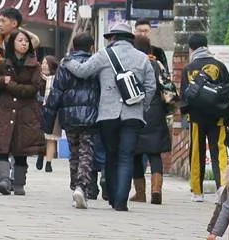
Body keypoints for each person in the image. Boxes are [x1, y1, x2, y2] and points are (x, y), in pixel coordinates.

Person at [59, 21, 155, 212]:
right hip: (133, 115)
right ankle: (120, 201)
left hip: (108, 115)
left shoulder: (103, 55)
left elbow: (82, 71)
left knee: (111, 155)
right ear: (130, 39)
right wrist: (140, 106)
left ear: (112, 38)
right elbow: (151, 87)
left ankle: (111, 195)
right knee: (126, 156)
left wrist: (67, 61)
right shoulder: (143, 58)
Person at [0, 29, 46, 196]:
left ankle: (19, 184)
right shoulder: (4, 64)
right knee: (2, 148)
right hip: (4, 112)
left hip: (26, 114)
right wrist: (1, 81)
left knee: (21, 150)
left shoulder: (35, 66)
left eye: (26, 41)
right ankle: (3, 180)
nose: (24, 43)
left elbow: (33, 89)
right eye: (20, 40)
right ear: (12, 44)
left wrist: (10, 85)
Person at [45, 33, 101, 208]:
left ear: (74, 47)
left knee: (74, 152)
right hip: (91, 115)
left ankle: (74, 186)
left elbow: (56, 92)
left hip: (69, 116)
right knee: (87, 151)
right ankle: (81, 186)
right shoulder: (96, 63)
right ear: (92, 47)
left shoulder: (65, 65)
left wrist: (48, 118)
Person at [182, 34, 229, 203]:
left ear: (191, 49)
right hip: (218, 117)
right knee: (220, 151)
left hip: (197, 119)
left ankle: (197, 192)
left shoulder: (189, 68)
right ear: (206, 46)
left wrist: (186, 115)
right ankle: (223, 188)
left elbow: (184, 97)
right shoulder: (219, 66)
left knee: (196, 152)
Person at [130, 34, 176, 205]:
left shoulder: (132, 63)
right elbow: (168, 89)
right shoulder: (157, 64)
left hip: (136, 110)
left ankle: (140, 193)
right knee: (154, 153)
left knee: (135, 153)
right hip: (155, 111)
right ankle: (156, 190)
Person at [0, 8, 24, 186]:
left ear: (14, 23)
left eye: (4, 21)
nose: (0, 24)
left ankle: (15, 176)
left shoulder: (25, 44)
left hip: (18, 98)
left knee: (17, 138)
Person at [37, 55, 60, 173]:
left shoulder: (57, 79)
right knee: (40, 135)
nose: (43, 65)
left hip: (52, 110)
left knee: (51, 138)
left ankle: (49, 162)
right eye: (43, 63)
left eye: (46, 63)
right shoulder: (37, 78)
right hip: (39, 109)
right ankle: (41, 154)